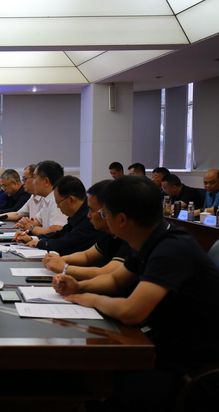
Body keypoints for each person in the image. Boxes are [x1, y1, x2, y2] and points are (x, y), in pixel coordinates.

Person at [53, 176, 219, 412]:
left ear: (121, 219)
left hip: (190, 364)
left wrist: (89, 299)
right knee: (86, 373)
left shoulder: (171, 248)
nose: (99, 218)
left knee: (94, 384)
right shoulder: (146, 237)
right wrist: (79, 287)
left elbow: (131, 312)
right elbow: (114, 280)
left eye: (104, 213)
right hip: (163, 345)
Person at [42, 180, 130, 280]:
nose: (88, 215)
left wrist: (64, 268)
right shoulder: (111, 235)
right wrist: (58, 260)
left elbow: (108, 275)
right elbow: (86, 256)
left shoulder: (130, 241)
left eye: (92, 210)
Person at [15, 175, 106, 255]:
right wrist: (32, 238)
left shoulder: (88, 219)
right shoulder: (78, 214)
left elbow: (66, 244)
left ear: (71, 200)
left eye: (58, 202)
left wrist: (39, 243)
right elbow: (61, 234)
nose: (58, 206)